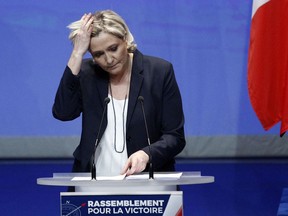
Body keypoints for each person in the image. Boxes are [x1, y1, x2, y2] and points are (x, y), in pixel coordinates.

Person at [53, 10, 186, 178]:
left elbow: (175, 137)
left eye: (113, 48)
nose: (109, 60)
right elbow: (63, 112)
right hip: (92, 184)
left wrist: (147, 154)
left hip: (147, 184)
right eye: (98, 54)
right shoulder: (87, 73)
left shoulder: (159, 72)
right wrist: (77, 53)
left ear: (125, 38)